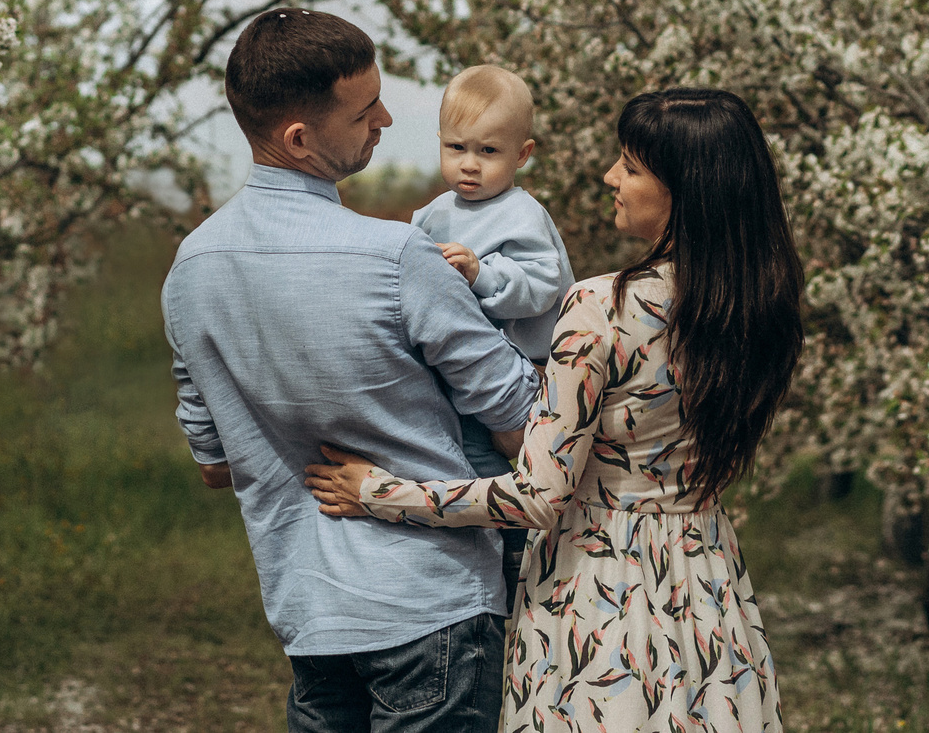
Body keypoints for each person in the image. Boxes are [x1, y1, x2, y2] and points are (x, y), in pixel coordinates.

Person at [304, 88, 804, 733]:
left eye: (630, 165)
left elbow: (538, 496)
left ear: (686, 188)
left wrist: (379, 492)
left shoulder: (602, 307)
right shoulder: (760, 307)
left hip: (599, 592)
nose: (609, 177)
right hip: (707, 583)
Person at [164, 9, 540, 733]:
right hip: (436, 608)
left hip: (310, 612)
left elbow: (215, 465)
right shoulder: (397, 258)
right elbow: (522, 423)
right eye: (366, 109)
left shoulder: (191, 270)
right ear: (299, 138)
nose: (388, 118)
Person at [410, 64, 573, 606]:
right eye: (456, 147)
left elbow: (543, 287)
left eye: (488, 151)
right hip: (459, 376)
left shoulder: (522, 214)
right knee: (462, 461)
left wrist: (483, 273)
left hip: (523, 372)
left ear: (522, 155)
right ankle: (471, 557)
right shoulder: (431, 216)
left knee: (510, 472)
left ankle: (516, 557)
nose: (469, 165)